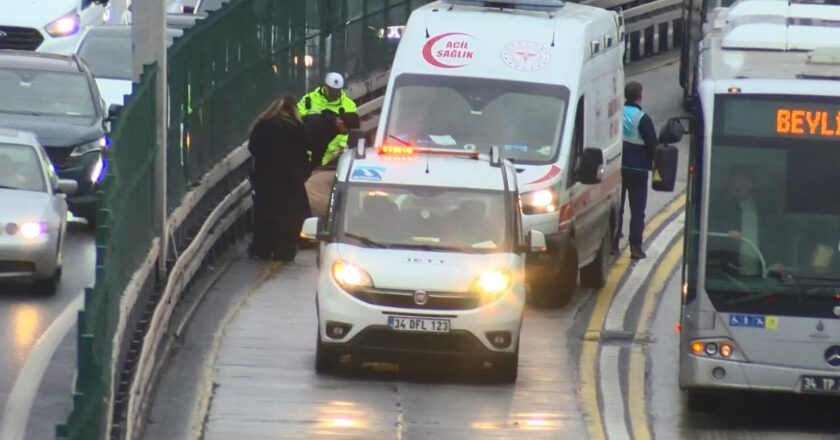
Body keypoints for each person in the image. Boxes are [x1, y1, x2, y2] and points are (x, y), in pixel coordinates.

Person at [247, 94, 311, 261]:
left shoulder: (261, 126)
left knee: (264, 214)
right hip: (290, 180)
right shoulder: (298, 129)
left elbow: (252, 148)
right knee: (289, 216)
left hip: (266, 179)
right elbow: (304, 154)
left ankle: (262, 249)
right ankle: (285, 251)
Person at [613, 81, 658, 259]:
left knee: (618, 207)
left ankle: (614, 243)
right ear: (640, 95)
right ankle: (635, 247)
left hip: (617, 168)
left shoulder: (616, 114)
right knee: (637, 210)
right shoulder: (642, 118)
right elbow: (653, 145)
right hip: (638, 170)